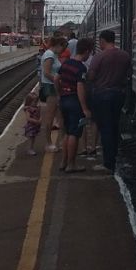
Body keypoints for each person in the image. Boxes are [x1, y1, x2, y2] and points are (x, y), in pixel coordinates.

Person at [87, 29, 131, 173]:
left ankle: (108, 164)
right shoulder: (125, 56)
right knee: (114, 126)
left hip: (102, 96)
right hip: (119, 95)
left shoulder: (99, 57)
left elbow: (91, 76)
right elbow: (128, 74)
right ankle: (114, 156)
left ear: (102, 41)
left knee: (105, 129)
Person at [57, 37, 95, 173]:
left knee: (67, 133)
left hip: (64, 101)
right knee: (74, 134)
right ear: (85, 51)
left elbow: (57, 78)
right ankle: (71, 165)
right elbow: (80, 88)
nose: (89, 56)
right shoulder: (81, 68)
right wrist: (85, 108)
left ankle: (63, 162)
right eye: (89, 53)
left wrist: (60, 93)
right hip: (74, 103)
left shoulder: (66, 63)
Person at [38, 36, 66, 152]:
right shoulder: (49, 55)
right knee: (50, 116)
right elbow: (47, 72)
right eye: (63, 47)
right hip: (50, 87)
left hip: (54, 87)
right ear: (58, 45)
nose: (63, 50)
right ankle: (48, 143)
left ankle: (60, 142)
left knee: (60, 116)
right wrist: (58, 79)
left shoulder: (53, 55)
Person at [22, 90, 42, 156]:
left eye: (36, 101)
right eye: (34, 102)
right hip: (31, 126)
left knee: (33, 138)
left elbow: (39, 115)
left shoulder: (36, 107)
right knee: (31, 138)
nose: (36, 103)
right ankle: (30, 149)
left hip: (35, 126)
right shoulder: (28, 109)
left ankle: (31, 148)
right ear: (29, 102)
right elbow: (28, 118)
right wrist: (36, 121)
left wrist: (40, 119)